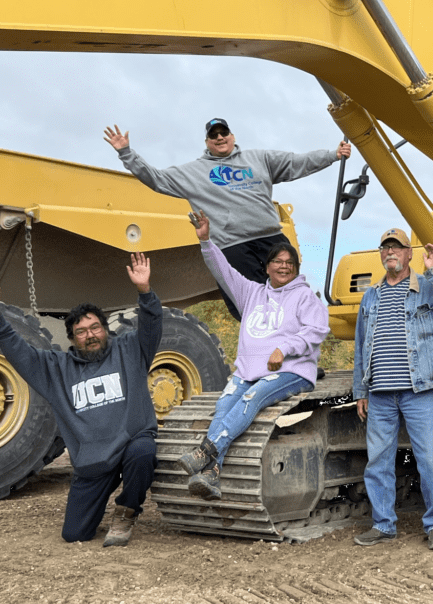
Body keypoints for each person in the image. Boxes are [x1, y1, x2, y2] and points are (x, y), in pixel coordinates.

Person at [103, 119, 351, 320]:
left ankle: (300, 358)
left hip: (271, 239)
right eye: (214, 135)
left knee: (292, 296)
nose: (220, 138)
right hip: (232, 247)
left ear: (232, 136)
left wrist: (332, 155)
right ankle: (266, 357)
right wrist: (126, 153)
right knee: (250, 305)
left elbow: (297, 162)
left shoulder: (259, 159)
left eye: (224, 133)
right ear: (207, 142)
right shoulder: (192, 172)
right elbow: (155, 178)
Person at [0, 254, 160, 546]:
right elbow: (17, 349)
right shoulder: (55, 369)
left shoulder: (130, 350)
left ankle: (126, 510)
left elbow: (152, 325)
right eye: (82, 332)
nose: (90, 336)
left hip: (129, 450)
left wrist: (145, 291)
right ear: (73, 339)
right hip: (93, 465)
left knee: (143, 450)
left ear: (105, 329)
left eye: (95, 328)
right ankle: (100, 498)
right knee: (74, 534)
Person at [175, 211, 329, 500]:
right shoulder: (251, 293)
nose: (284, 267)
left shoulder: (305, 296)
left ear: (296, 268)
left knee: (252, 398)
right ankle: (212, 473)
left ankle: (205, 451)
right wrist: (206, 240)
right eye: (278, 262)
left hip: (291, 371)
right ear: (267, 266)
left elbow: (318, 330)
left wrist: (284, 349)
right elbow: (222, 270)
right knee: (224, 406)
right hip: (248, 370)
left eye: (289, 263)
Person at [352, 228, 433, 550]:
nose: (390, 252)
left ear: (408, 253)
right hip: (379, 394)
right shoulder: (370, 296)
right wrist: (360, 391)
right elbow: (362, 345)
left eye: (397, 247)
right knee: (378, 462)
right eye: (385, 247)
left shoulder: (427, 288)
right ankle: (383, 524)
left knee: (430, 459)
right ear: (381, 254)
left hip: (420, 390)